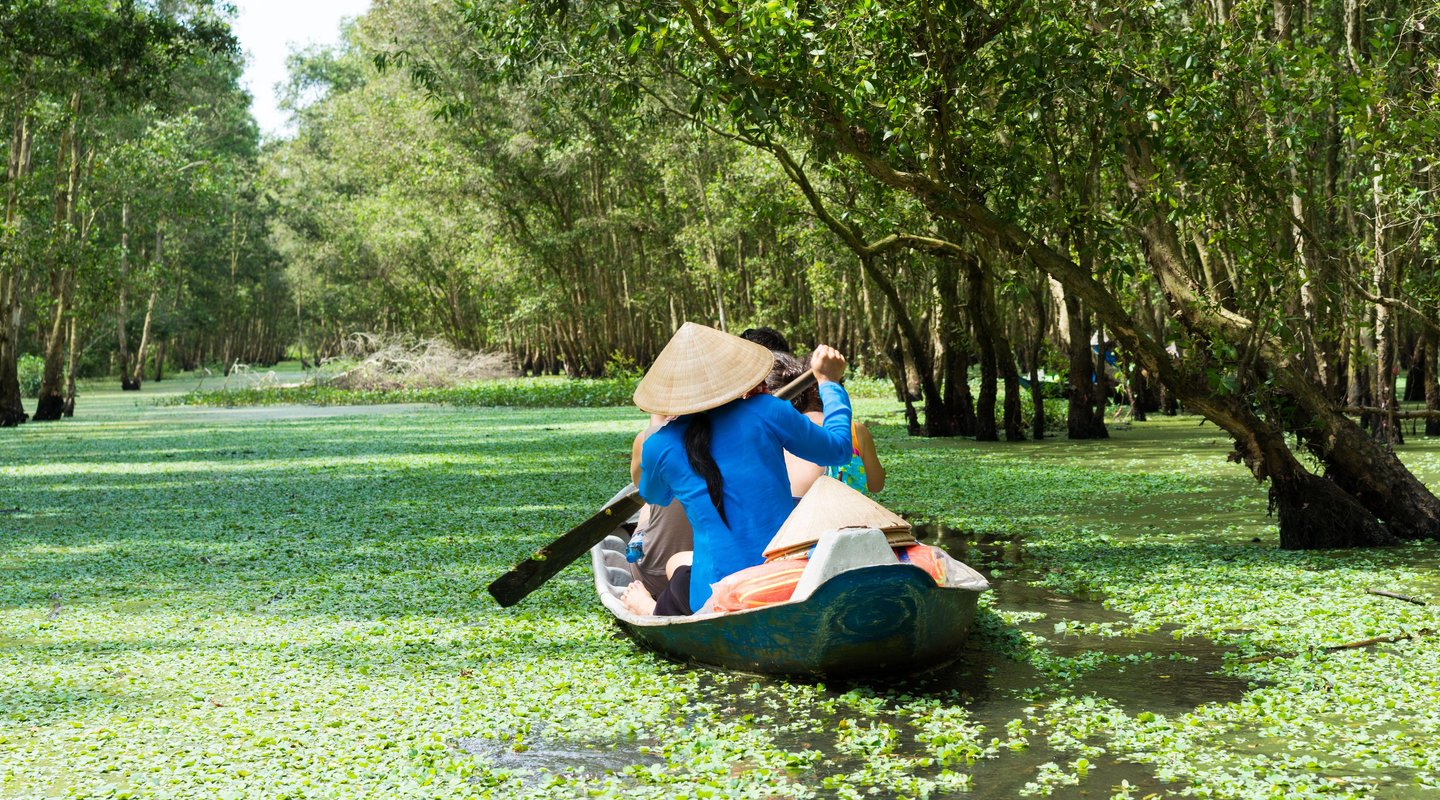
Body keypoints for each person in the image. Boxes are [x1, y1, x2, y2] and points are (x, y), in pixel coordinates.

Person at [623, 322, 852, 616]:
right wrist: (830, 383)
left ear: (673, 394)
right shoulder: (768, 410)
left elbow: (656, 495)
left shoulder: (658, 445)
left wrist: (658, 437)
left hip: (715, 593)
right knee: (684, 571)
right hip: (783, 580)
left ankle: (650, 610)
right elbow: (840, 448)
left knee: (680, 577)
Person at [625, 415, 694, 598]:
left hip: (658, 575)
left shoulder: (647, 439)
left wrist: (655, 425)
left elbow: (641, 486)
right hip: (724, 568)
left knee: (648, 504)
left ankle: (638, 538)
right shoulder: (736, 435)